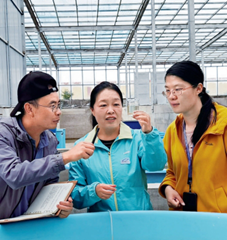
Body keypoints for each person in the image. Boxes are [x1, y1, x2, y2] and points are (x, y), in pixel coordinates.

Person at [0, 71, 94, 231]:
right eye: (52, 106)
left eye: (59, 105)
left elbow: (49, 183)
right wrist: (64, 158)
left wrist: (60, 206)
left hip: (27, 227)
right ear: (29, 109)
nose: (58, 112)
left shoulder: (49, 140)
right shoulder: (1, 134)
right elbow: (14, 175)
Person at [159, 61, 227, 216]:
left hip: (222, 221)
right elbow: (172, 172)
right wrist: (167, 188)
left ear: (198, 88)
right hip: (184, 218)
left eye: (178, 90)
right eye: (167, 91)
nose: (171, 96)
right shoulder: (173, 131)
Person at [68, 81, 167, 212]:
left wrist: (149, 134)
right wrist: (94, 192)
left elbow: (156, 165)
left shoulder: (137, 139)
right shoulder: (82, 147)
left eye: (116, 104)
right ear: (92, 110)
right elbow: (75, 196)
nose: (111, 110)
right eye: (103, 105)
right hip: (103, 224)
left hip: (138, 220)